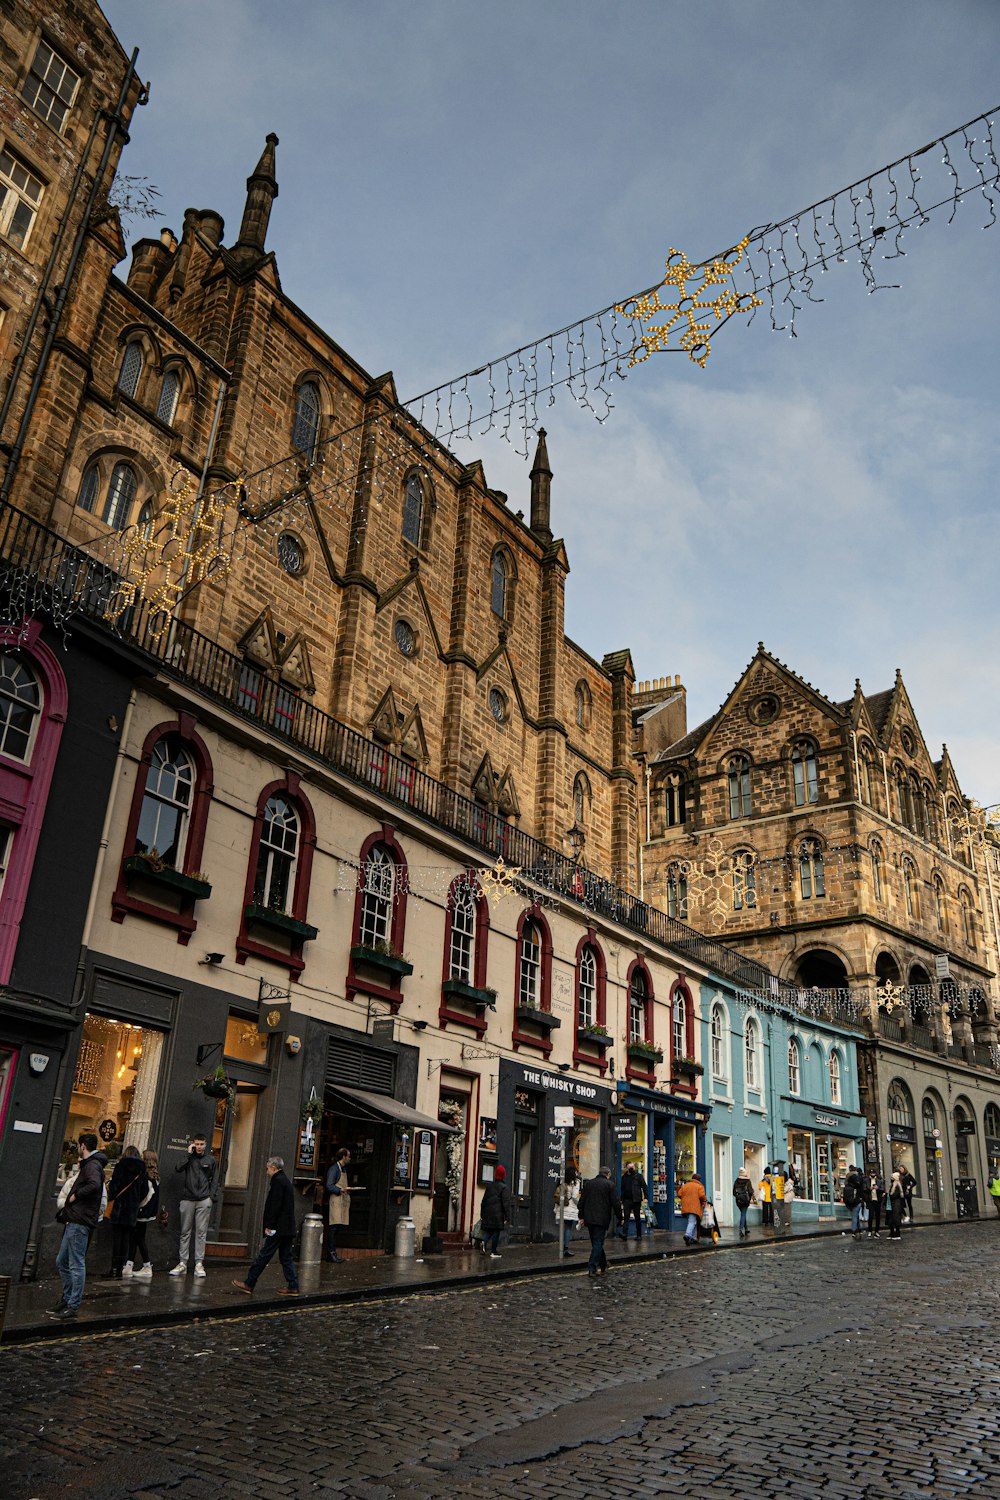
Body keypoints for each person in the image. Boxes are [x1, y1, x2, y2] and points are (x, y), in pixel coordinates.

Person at [50, 1133, 107, 1321]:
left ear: (83, 1146)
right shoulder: (91, 1164)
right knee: (62, 1261)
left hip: (80, 1220)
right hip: (73, 1219)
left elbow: (94, 1185)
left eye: (78, 1146)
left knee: (76, 1264)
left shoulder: (92, 1165)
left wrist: (75, 1196)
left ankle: (73, 1305)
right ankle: (67, 1298)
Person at [232, 1156, 300, 1296]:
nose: (267, 1172)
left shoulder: (278, 1182)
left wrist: (269, 1225)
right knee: (286, 1257)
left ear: (273, 1168)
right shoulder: (285, 1181)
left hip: (278, 1228)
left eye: (268, 1169)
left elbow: (274, 1206)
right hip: (287, 1227)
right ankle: (293, 1286)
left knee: (264, 1255)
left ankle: (249, 1283)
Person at [170, 1132, 219, 1278]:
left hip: (203, 1199)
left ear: (205, 1145)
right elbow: (178, 1168)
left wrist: (211, 1197)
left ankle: (199, 1263)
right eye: (196, 1144)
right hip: (188, 1199)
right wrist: (188, 1154)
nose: (199, 1147)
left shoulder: (210, 1160)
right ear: (193, 1144)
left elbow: (215, 1179)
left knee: (201, 1233)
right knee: (185, 1232)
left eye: (201, 1144)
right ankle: (183, 1263)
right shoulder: (189, 1159)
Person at [105, 1144, 149, 1278]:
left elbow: (114, 1187)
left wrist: (112, 1196)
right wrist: (135, 1199)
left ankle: (114, 1268)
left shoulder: (120, 1166)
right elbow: (145, 1190)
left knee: (117, 1238)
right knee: (126, 1238)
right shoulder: (142, 1169)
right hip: (131, 1209)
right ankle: (121, 1267)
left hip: (119, 1207)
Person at [578, 1165, 622, 1275]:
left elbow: (581, 1202)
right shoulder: (610, 1185)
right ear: (608, 1175)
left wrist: (581, 1216)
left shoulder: (588, 1184)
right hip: (602, 1219)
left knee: (596, 1242)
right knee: (597, 1243)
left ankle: (603, 1264)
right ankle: (592, 1267)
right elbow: (616, 1203)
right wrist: (620, 1218)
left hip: (589, 1218)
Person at [126, 1150, 160, 1278]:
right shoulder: (155, 1176)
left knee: (138, 1238)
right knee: (135, 1238)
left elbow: (144, 1195)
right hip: (147, 1212)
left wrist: (136, 1206)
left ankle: (146, 1266)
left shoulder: (145, 1176)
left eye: (141, 1156)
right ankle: (129, 1265)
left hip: (141, 1211)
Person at [325, 1147, 352, 1263]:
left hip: (343, 1200)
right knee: (333, 1228)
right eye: (348, 1156)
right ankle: (331, 1253)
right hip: (336, 1200)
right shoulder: (334, 1169)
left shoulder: (343, 1169)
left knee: (337, 1228)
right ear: (344, 1157)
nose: (349, 1159)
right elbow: (329, 1185)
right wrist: (339, 1190)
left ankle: (332, 1253)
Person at [479, 1164, 511, 1259]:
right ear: (503, 1175)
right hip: (498, 1214)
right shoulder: (504, 1188)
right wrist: (507, 1217)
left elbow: (483, 1201)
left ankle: (483, 1242)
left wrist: (482, 1213)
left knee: (489, 1230)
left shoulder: (489, 1186)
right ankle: (493, 1251)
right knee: (496, 1231)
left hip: (488, 1212)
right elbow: (506, 1203)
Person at [620, 1162, 649, 1241]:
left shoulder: (638, 1176)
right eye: (630, 1167)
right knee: (626, 1217)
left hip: (636, 1200)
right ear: (626, 1168)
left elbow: (644, 1187)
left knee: (637, 1218)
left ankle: (639, 1235)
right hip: (627, 1200)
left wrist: (646, 1197)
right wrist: (621, 1199)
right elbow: (622, 1189)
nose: (632, 1169)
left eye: (633, 1167)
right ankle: (624, 1234)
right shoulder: (624, 1177)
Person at [555, 1168, 580, 1255]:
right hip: (570, 1208)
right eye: (576, 1172)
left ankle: (561, 1246)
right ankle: (566, 1247)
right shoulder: (575, 1182)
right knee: (568, 1227)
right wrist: (579, 1205)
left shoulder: (561, 1181)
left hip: (561, 1207)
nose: (577, 1173)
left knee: (563, 1227)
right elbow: (574, 1196)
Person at [678, 1171, 706, 1248]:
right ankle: (687, 1235)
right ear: (699, 1180)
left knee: (694, 1222)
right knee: (692, 1222)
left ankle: (693, 1238)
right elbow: (702, 1196)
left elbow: (679, 1194)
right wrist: (705, 1200)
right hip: (694, 1207)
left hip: (686, 1206)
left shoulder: (685, 1185)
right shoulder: (699, 1186)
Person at [843, 1163, 866, 1239]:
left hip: (849, 1201)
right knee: (855, 1216)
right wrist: (864, 1199)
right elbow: (862, 1192)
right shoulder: (859, 1183)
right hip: (857, 1201)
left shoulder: (848, 1184)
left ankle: (858, 1230)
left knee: (855, 1215)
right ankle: (854, 1230)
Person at [733, 1168, 757, 1238]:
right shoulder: (748, 1181)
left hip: (738, 1201)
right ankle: (740, 1229)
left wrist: (738, 1196)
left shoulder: (736, 1181)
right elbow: (750, 1191)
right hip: (746, 1200)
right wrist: (749, 1197)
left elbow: (734, 1193)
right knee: (743, 1214)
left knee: (743, 1214)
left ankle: (746, 1229)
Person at [887, 1171, 905, 1240]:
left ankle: (897, 1233)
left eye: (892, 1177)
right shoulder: (892, 1184)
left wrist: (890, 1194)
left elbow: (894, 1195)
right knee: (890, 1219)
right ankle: (892, 1232)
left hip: (896, 1204)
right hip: (891, 1204)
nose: (891, 1178)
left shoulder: (897, 1185)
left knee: (896, 1218)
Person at [868, 1171, 886, 1239]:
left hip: (877, 1200)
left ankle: (877, 1231)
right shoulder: (867, 1181)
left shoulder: (879, 1181)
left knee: (878, 1216)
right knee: (871, 1216)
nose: (872, 1174)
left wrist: (877, 1188)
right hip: (871, 1200)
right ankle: (870, 1231)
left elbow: (882, 1189)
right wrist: (869, 1188)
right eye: (871, 1173)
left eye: (873, 1173)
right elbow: (864, 1189)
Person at [771, 1164, 786, 1232]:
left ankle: (777, 1226)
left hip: (775, 1195)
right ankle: (779, 1227)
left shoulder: (773, 1178)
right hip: (777, 1196)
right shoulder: (778, 1178)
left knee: (776, 1211)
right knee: (779, 1211)